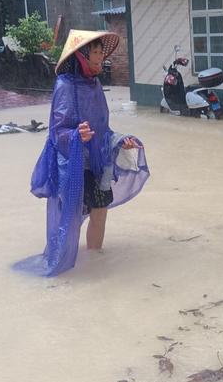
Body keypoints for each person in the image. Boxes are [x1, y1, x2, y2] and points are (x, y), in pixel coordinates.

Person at [13, 29, 149, 277]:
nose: (100, 59)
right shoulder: (64, 86)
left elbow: (102, 129)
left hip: (98, 161)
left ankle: (95, 260)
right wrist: (76, 135)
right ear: (81, 57)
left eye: (100, 53)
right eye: (95, 53)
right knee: (71, 215)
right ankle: (66, 267)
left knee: (100, 210)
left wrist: (121, 142)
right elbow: (57, 131)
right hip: (73, 162)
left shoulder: (95, 85)